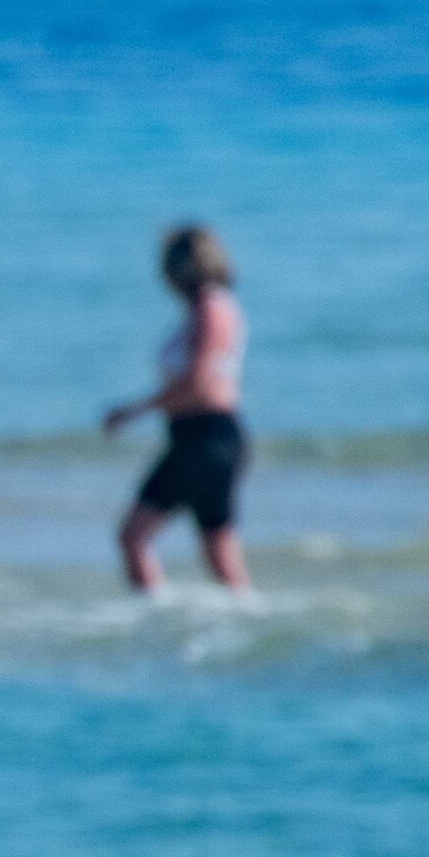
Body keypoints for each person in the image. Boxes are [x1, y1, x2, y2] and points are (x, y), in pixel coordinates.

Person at [103, 222, 252, 594]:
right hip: (192, 438)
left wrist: (134, 410)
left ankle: (211, 622)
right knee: (146, 538)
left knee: (209, 548)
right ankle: (166, 619)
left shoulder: (212, 307)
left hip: (208, 437)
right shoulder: (203, 308)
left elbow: (198, 383)